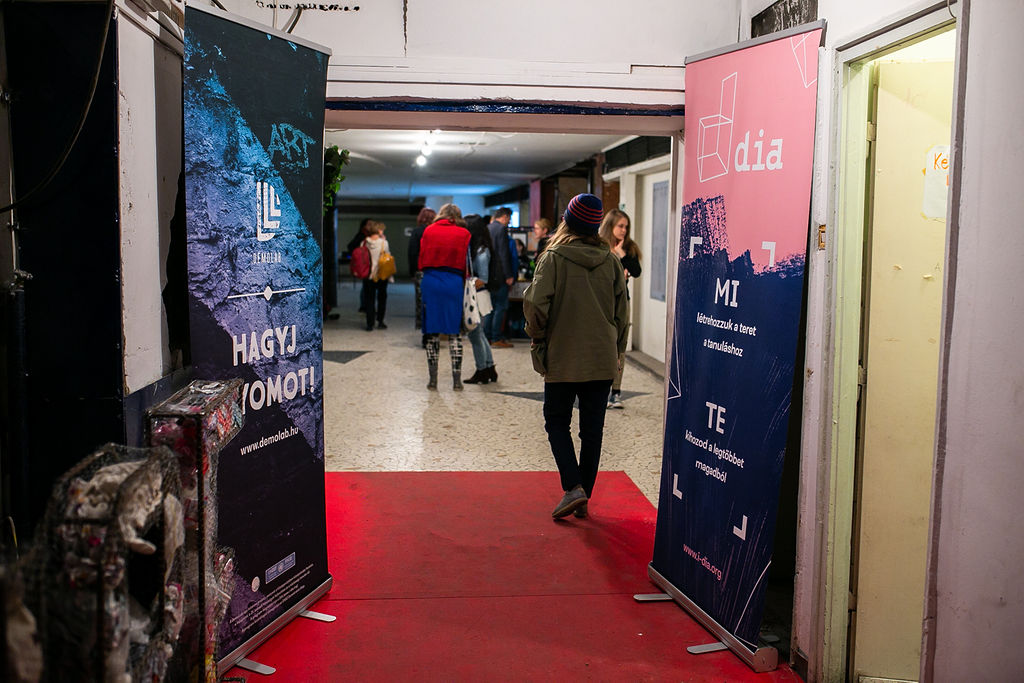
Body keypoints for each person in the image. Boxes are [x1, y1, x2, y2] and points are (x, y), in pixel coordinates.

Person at [523, 194, 628, 520]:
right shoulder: (611, 261)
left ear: (567, 221)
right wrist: (618, 350)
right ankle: (584, 495)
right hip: (601, 356)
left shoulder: (553, 258)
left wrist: (537, 335)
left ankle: (573, 487)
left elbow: (536, 304)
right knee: (592, 430)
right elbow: (622, 314)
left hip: (563, 354)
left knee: (556, 421)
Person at [418, 203, 472, 390]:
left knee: (432, 332)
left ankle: (433, 380)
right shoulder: (464, 234)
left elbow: (421, 258)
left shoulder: (428, 231)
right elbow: (467, 263)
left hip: (431, 281)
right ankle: (457, 381)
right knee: (454, 332)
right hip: (453, 283)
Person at [598, 208, 643, 409]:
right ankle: (598, 388)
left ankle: (615, 392)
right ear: (610, 226)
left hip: (622, 302)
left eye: (626, 227)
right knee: (601, 344)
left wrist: (622, 255)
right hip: (601, 302)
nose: (624, 230)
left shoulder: (629, 247)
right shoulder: (599, 245)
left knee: (619, 346)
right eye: (620, 226)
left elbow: (636, 271)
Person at [463, 215, 498, 384]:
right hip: (478, 295)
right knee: (480, 334)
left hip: (476, 296)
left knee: (475, 335)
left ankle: (482, 370)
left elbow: (483, 278)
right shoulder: (480, 249)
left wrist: (465, 285)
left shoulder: (481, 252)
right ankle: (489, 367)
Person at [486, 207, 516, 348]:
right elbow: (504, 254)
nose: (508, 222)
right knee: (500, 306)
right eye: (509, 219)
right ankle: (496, 337)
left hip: (489, 274)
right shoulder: (501, 229)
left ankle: (487, 337)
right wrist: (509, 275)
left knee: (489, 307)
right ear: (504, 216)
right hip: (500, 274)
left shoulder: (488, 228)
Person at [408, 207, 436, 343]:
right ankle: (434, 331)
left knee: (422, 303)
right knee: (435, 303)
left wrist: (412, 272)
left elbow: (412, 253)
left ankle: (426, 334)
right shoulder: (437, 231)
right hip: (436, 271)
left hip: (421, 271)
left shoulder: (417, 231)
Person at [362, 221, 393, 331]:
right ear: (379, 231)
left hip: (368, 275)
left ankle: (369, 324)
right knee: (382, 298)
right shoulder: (384, 243)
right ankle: (380, 321)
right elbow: (388, 257)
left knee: (369, 299)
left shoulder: (364, 243)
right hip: (381, 274)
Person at [347, 218, 374, 313]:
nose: (371, 226)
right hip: (366, 264)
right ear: (364, 226)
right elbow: (351, 246)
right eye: (369, 224)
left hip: (370, 264)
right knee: (367, 285)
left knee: (367, 285)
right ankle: (365, 306)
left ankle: (366, 306)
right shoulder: (362, 236)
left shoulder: (370, 235)